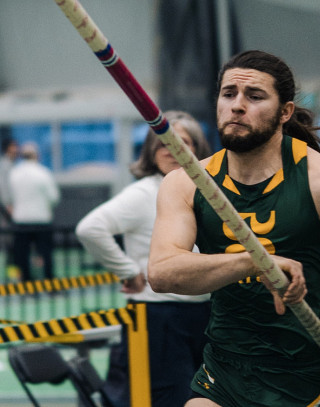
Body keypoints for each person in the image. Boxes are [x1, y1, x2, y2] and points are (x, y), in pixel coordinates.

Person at [148, 50, 320, 407]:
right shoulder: (186, 184)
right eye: (228, 94)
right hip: (224, 377)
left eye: (255, 96)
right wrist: (255, 262)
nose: (237, 105)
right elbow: (163, 273)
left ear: (285, 112)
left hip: (307, 387)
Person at [76, 110, 213, 407]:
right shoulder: (142, 193)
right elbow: (90, 228)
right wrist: (127, 270)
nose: (174, 150)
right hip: (158, 318)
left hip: (204, 314)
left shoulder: (208, 192)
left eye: (184, 142)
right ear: (151, 151)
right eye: (164, 143)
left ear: (198, 149)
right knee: (171, 399)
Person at [7, 142, 60, 281]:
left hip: (21, 220)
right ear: (37, 155)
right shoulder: (43, 173)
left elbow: (11, 197)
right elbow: (54, 197)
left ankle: (27, 283)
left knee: (22, 254)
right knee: (45, 253)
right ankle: (49, 283)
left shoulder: (14, 173)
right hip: (42, 219)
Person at [0, 140, 19, 224]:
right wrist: (7, 204)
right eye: (13, 149)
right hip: (8, 206)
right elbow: (3, 186)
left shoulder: (12, 164)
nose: (16, 151)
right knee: (7, 231)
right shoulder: (5, 165)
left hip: (12, 204)